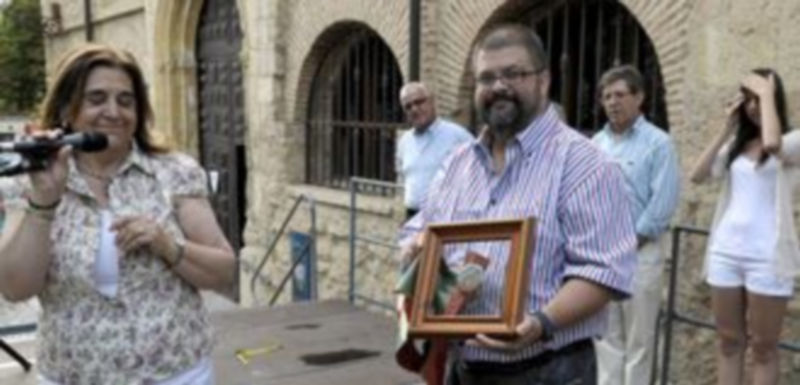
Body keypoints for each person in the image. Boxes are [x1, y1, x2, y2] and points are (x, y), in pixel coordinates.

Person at [398, 24, 637, 384]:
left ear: (544, 81)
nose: (498, 86)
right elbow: (417, 231)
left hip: (548, 372)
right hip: (461, 369)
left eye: (514, 73)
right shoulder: (456, 164)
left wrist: (541, 323)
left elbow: (604, 271)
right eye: (486, 77)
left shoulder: (585, 164)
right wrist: (416, 252)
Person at [0, 44, 236, 384]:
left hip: (176, 373)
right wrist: (44, 202)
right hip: (71, 375)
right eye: (96, 99)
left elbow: (223, 271)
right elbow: (15, 288)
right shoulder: (34, 178)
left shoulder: (175, 172)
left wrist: (167, 245)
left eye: (126, 101)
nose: (113, 112)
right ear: (67, 108)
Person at [689, 68, 798, 385]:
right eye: (747, 99)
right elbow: (697, 175)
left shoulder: (792, 141)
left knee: (763, 348)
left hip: (768, 258)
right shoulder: (737, 148)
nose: (752, 106)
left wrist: (765, 94)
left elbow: (773, 144)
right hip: (726, 252)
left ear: (774, 99)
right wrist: (726, 129)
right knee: (728, 342)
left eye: (759, 99)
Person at [591, 65, 681, 385]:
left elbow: (662, 204)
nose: (612, 102)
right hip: (602, 256)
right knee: (606, 341)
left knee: (639, 343)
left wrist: (627, 243)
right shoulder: (596, 144)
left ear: (639, 97)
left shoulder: (659, 143)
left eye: (619, 95)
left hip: (641, 255)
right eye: (607, 96)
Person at [396, 82, 472, 219]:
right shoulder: (404, 142)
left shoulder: (459, 137)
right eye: (408, 106)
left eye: (419, 102)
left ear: (432, 102)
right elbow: (403, 180)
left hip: (448, 218)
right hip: (412, 216)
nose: (414, 109)